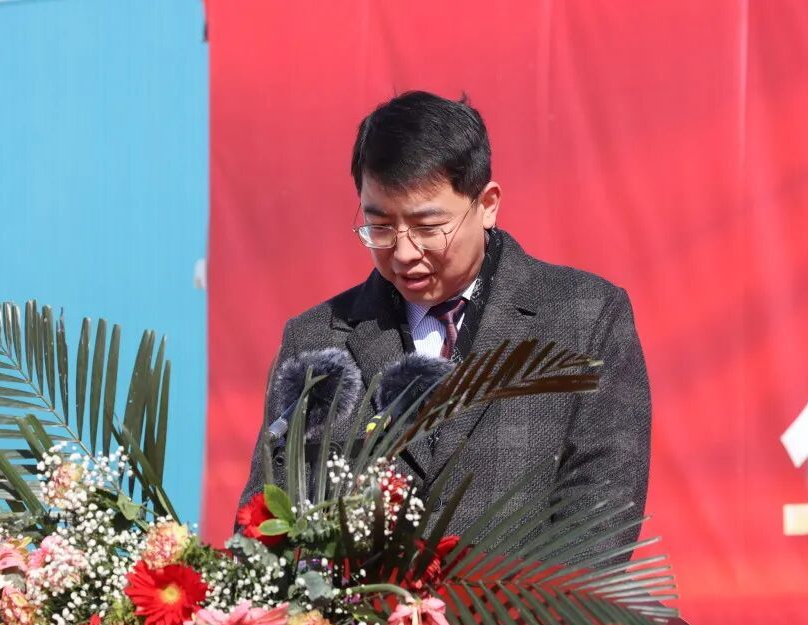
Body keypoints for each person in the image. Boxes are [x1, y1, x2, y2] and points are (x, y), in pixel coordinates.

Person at [236, 90, 651, 559]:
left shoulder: (583, 318)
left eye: (428, 227)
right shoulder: (316, 340)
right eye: (380, 227)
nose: (404, 253)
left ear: (487, 204)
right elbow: (263, 527)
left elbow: (599, 525)